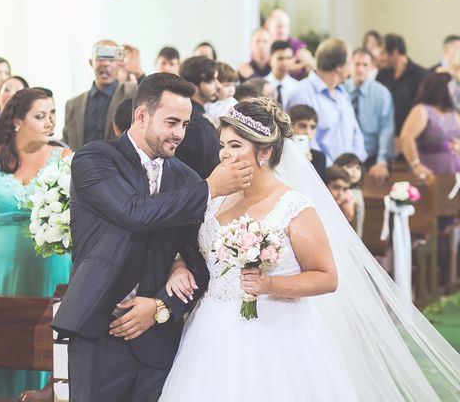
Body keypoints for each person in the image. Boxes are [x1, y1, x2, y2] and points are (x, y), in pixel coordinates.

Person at [159, 98, 460, 401]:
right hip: (211, 331)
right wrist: (179, 265)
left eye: (236, 146)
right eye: (223, 144)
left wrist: (270, 284)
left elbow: (327, 277)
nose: (224, 153)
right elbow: (194, 250)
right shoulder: (216, 197)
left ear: (264, 152)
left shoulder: (293, 207)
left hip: (277, 333)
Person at [52, 73, 254, 402]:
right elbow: (134, 212)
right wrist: (210, 188)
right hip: (99, 327)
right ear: (141, 115)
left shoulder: (186, 178)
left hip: (158, 336)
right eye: (171, 122)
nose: (179, 134)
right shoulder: (95, 159)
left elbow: (202, 262)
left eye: (185, 124)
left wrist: (161, 305)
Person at [0, 88, 71, 397]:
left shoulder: (66, 159)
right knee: (0, 344)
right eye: (40, 115)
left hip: (52, 272)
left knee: (46, 347)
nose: (50, 122)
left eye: (52, 114)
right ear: (17, 122)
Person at [287, 38, 367, 164]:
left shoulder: (342, 93)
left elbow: (355, 131)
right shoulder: (301, 93)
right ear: (339, 67)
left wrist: (354, 164)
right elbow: (304, 140)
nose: (352, 67)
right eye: (350, 62)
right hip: (320, 175)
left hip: (350, 176)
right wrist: (334, 170)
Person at [63, 39, 137, 151]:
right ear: (91, 62)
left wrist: (138, 72)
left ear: (120, 64)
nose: (106, 63)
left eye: (111, 59)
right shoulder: (72, 105)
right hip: (81, 165)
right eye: (101, 58)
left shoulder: (132, 93)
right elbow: (67, 142)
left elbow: (151, 96)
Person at [344, 48, 394, 182]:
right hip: (343, 156)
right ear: (350, 65)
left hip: (371, 156)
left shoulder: (381, 93)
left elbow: (386, 129)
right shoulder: (341, 90)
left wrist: (382, 161)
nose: (360, 69)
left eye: (365, 65)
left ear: (372, 67)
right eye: (357, 64)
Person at [400, 72, 460, 178]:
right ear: (440, 87)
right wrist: (416, 165)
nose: (454, 89)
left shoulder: (453, 113)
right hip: (430, 169)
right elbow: (406, 138)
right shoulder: (422, 110)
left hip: (455, 170)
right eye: (451, 85)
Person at [176, 56, 221, 178]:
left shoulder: (198, 117)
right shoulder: (197, 123)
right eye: (210, 81)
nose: (218, 86)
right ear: (192, 86)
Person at [376, 33, 427, 139]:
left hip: (411, 138)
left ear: (395, 52)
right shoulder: (382, 75)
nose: (380, 58)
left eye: (383, 53)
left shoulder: (421, 75)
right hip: (384, 137)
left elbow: (423, 110)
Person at [264, 9, 314, 79]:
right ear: (267, 26)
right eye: (279, 26)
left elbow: (312, 66)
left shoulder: (296, 46)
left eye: (286, 26)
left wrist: (308, 62)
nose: (283, 31)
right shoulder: (262, 46)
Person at [288, 104, 326, 179]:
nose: (308, 132)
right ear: (290, 126)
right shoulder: (279, 154)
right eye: (302, 126)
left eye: (313, 127)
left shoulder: (319, 158)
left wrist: (308, 166)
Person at [333, 153, 364, 235]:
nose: (354, 171)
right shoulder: (339, 192)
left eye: (358, 168)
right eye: (349, 167)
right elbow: (349, 216)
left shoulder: (357, 191)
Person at [265, 40, 299, 107]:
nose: (285, 62)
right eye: (280, 58)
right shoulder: (262, 85)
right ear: (270, 59)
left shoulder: (297, 87)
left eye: (289, 58)